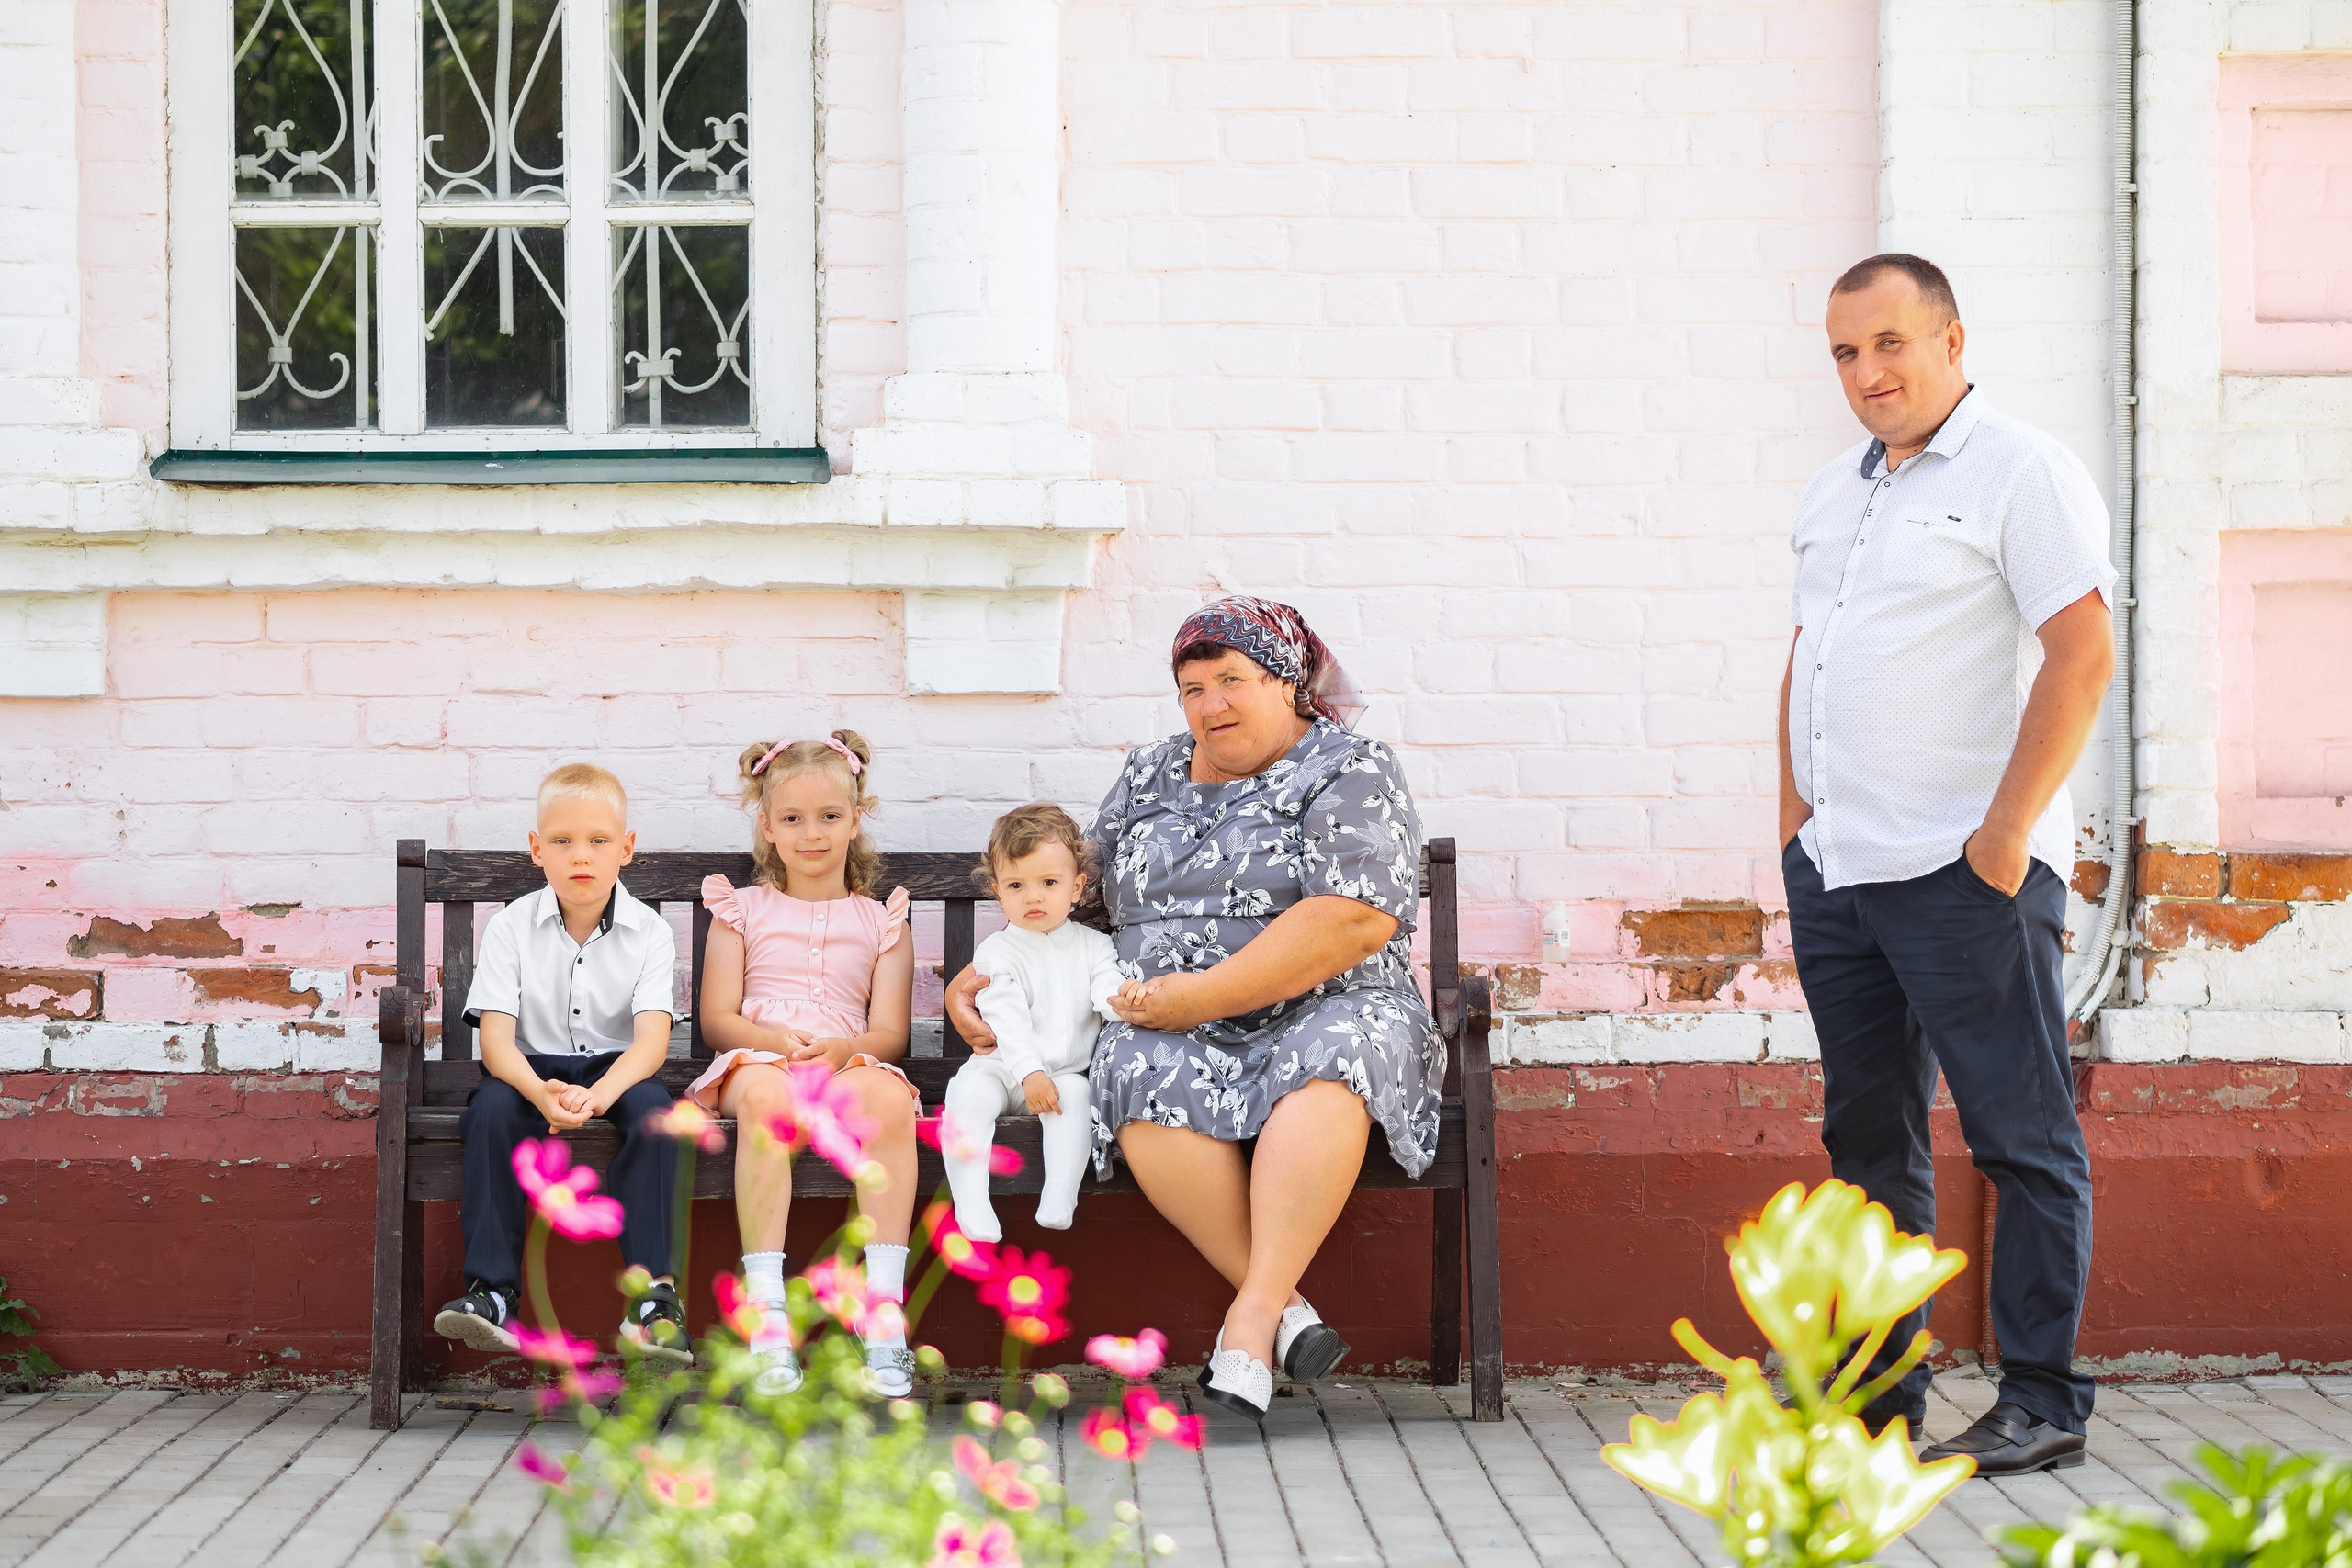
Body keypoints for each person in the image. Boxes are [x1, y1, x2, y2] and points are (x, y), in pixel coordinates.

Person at [1780, 254, 2116, 1475]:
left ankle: (2043, 1397)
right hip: (1842, 866)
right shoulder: (1834, 490)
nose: (1866, 373)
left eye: (1888, 344)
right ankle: (1878, 1398)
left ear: (1952, 338)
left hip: (1966, 871)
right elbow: (1812, 652)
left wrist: (2003, 833)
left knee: (2019, 1132)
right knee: (1867, 1142)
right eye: (1843, 353)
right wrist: (1795, 824)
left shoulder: (2023, 469)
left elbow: (2082, 652)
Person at [946, 597, 1442, 1422]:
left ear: (1288, 682)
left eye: (1232, 679)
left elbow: (1355, 915)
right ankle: (1286, 1309)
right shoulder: (1149, 774)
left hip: (1329, 1001)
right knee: (1134, 1064)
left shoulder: (1349, 767)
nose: (1211, 704)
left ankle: (1246, 1323)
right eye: (1191, 687)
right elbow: (1078, 894)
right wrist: (991, 972)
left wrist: (1201, 996)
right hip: (1167, 1016)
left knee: (1334, 1057)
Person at [686, 731, 921, 1398]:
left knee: (891, 1100)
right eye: (791, 818)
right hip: (759, 1059)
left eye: (828, 817)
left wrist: (847, 1051)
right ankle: (766, 1316)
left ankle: (883, 1318)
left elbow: (891, 1033)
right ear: (767, 826)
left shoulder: (882, 922)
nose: (811, 833)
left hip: (848, 1063)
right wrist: (773, 1039)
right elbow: (717, 1020)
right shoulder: (741, 910)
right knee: (766, 1097)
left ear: (855, 817)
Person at [436, 763, 692, 1363]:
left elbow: (651, 1043)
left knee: (659, 1114)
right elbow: (495, 1042)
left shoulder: (650, 932)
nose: (582, 855)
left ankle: (656, 1299)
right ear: (537, 849)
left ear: (625, 849)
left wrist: (599, 1096)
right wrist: (538, 1090)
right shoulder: (509, 927)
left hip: (618, 1070)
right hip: (529, 1070)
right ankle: (493, 1292)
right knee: (491, 1113)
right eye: (562, 840)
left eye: (599, 840)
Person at [939, 804, 1125, 1242]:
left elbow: (1106, 989)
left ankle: (1060, 1195)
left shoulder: (1095, 946)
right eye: (1016, 885)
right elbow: (1004, 1015)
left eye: (1049, 883)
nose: (1033, 896)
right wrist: (1029, 1073)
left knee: (1078, 1095)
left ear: (1076, 887)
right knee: (967, 1095)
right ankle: (971, 1202)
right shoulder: (996, 951)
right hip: (1004, 1070)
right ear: (999, 892)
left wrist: (1123, 1002)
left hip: (1061, 1076)